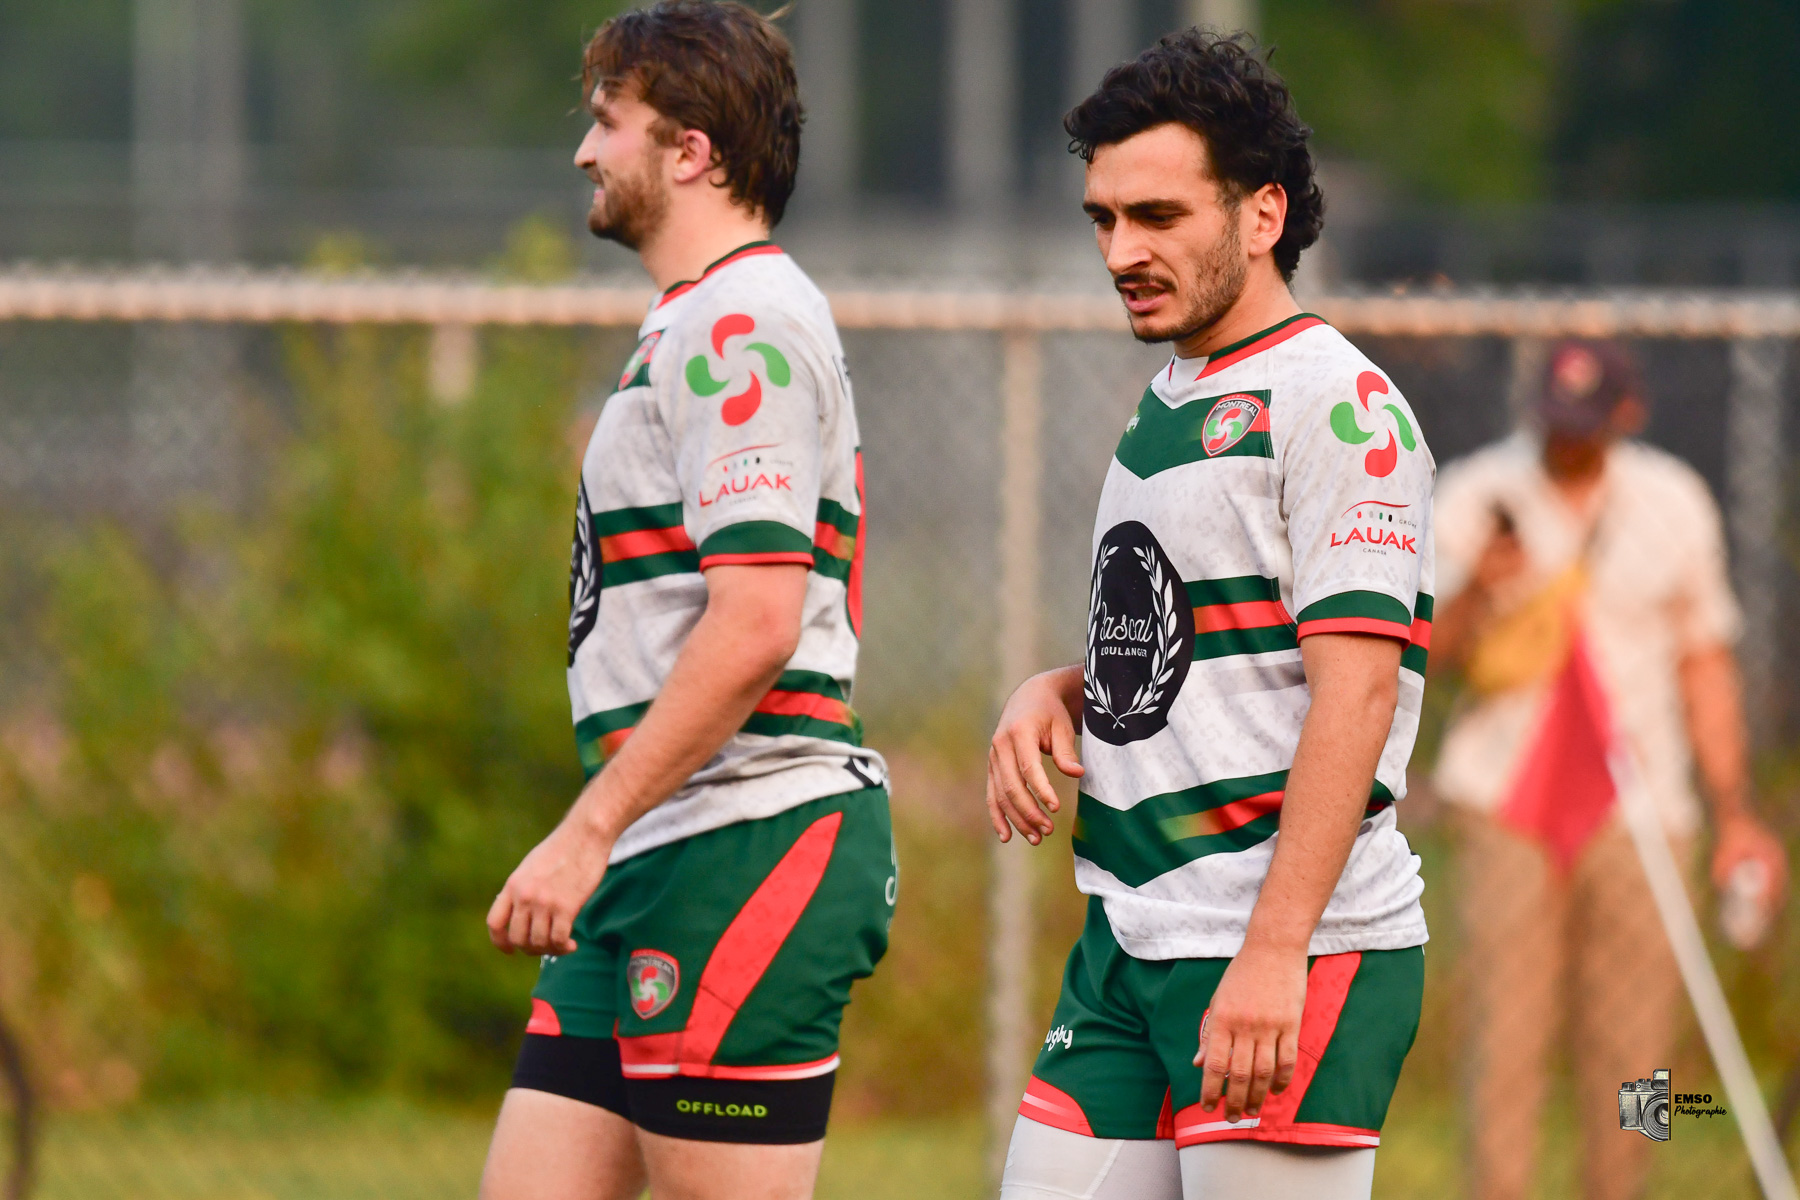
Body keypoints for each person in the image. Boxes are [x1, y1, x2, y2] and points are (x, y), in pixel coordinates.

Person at [986, 31, 1434, 1200]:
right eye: (1102, 219)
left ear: (1261, 213)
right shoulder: (1172, 396)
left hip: (1284, 950)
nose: (1121, 251)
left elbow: (1359, 690)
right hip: (1131, 942)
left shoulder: (1338, 407)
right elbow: (1212, 661)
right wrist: (1064, 690)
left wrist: (1275, 950)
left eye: (1158, 215)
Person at [478, 5, 893, 1199]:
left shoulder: (739, 324)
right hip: (660, 849)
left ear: (693, 151)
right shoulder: (697, 319)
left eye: (609, 122)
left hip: (743, 842)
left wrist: (585, 830)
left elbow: (758, 622)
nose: (584, 152)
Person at [1431, 339, 1789, 1200]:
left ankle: (1621, 1185)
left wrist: (1733, 810)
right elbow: (1420, 657)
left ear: (1627, 415)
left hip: (1645, 805)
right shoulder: (1478, 494)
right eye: (1555, 423)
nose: (1569, 442)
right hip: (1503, 799)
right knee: (1504, 1042)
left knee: (1640, 1065)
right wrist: (1478, 590)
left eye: (1587, 425)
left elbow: (1706, 660)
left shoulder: (1674, 500)